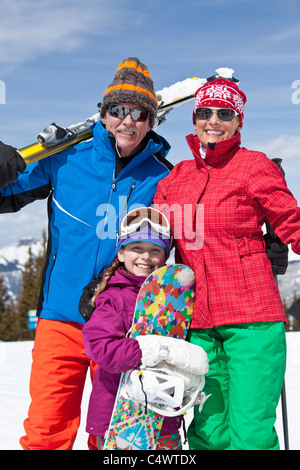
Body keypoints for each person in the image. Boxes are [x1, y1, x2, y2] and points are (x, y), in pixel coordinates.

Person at [0, 57, 173, 450]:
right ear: (104, 114)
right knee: (46, 430)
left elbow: (201, 227)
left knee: (115, 435)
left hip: (121, 325)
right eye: (118, 110)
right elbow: (5, 190)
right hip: (60, 318)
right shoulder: (65, 159)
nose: (128, 121)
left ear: (152, 121)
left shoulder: (164, 177)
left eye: (140, 113)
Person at [153, 71, 300, 450]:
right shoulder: (176, 179)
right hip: (198, 324)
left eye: (224, 113)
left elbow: (290, 220)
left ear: (239, 121)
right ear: (195, 119)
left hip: (252, 317)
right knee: (208, 432)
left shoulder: (254, 165)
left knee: (250, 432)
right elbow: (152, 239)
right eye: (205, 112)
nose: (213, 121)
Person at [82, 206, 209, 450]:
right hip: (117, 417)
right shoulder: (114, 299)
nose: (146, 257)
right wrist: (150, 350)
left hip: (163, 416)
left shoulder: (175, 300)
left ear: (165, 256)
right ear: (121, 253)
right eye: (137, 248)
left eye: (154, 250)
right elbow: (101, 348)